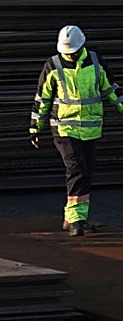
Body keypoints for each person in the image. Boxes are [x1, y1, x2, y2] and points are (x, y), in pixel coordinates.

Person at [30, 25, 123, 236]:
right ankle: (76, 220)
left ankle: (73, 217)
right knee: (77, 169)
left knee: (86, 173)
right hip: (64, 128)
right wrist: (35, 128)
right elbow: (42, 99)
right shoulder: (53, 66)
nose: (69, 56)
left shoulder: (96, 63)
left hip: (90, 129)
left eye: (72, 52)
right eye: (66, 53)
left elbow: (111, 90)